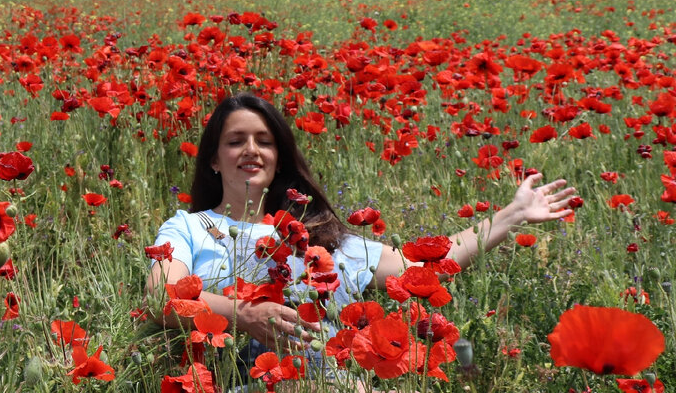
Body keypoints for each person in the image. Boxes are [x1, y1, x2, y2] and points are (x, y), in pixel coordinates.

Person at [146, 93, 577, 377]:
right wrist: (242, 314)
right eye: (235, 141)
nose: (252, 151)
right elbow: (157, 297)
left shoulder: (319, 237)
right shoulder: (189, 228)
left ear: (279, 158)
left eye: (265, 141)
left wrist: (512, 214)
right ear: (214, 161)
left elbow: (419, 271)